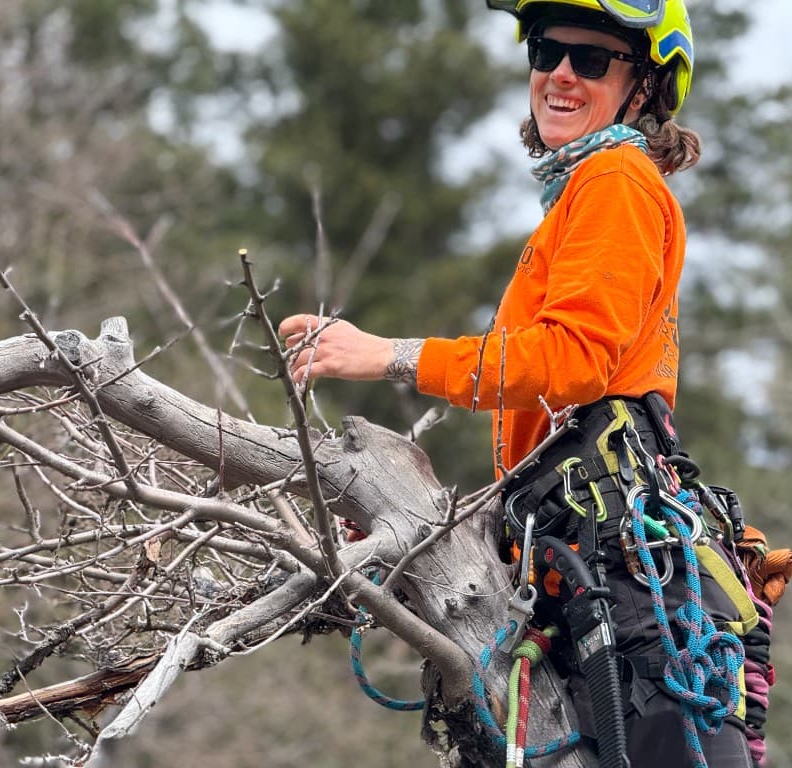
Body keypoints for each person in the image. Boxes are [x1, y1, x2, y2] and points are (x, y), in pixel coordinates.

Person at [279, 2, 759, 766]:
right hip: (583, 556)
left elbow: (569, 360)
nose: (560, 73)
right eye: (546, 50)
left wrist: (391, 355)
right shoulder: (581, 194)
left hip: (614, 565)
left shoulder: (615, 180)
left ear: (643, 86)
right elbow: (553, 431)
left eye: (590, 59)